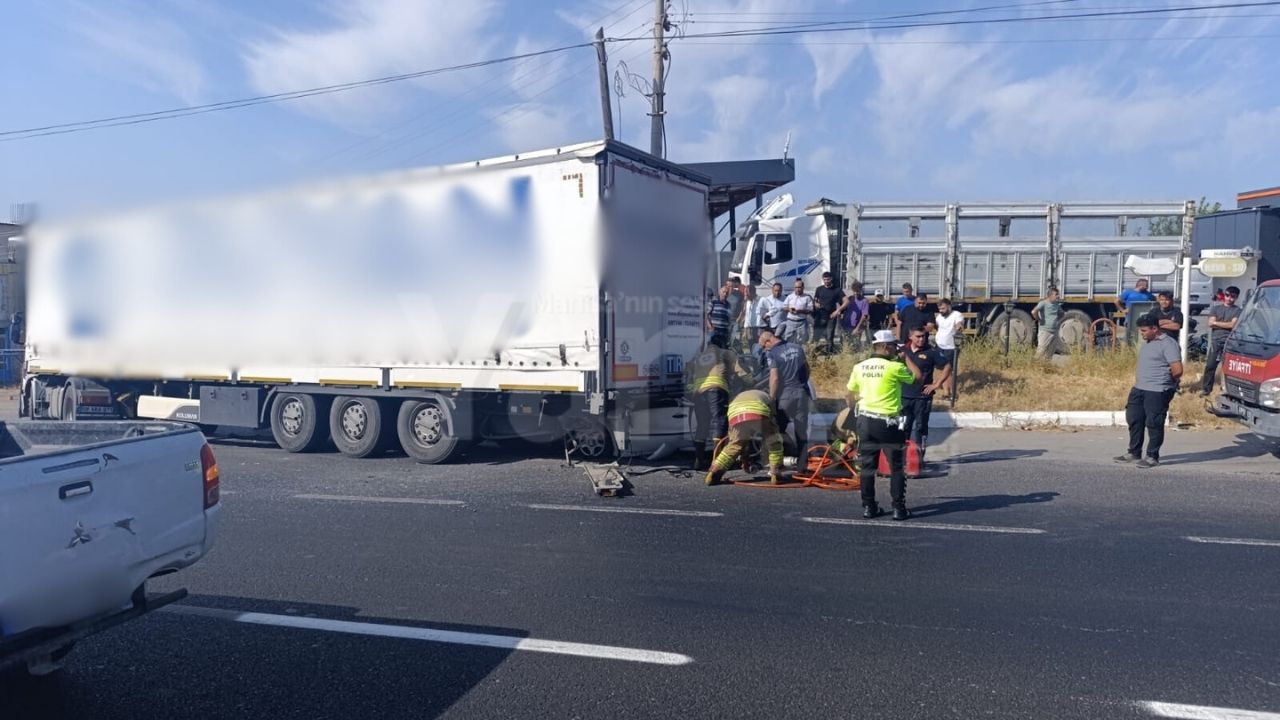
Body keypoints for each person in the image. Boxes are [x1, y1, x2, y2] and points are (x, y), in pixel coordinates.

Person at [846, 330, 921, 520]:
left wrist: (857, 411)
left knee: (868, 467)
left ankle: (869, 507)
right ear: (886, 347)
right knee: (896, 467)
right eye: (894, 346)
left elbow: (849, 394)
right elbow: (917, 377)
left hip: (864, 421)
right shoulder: (894, 367)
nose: (896, 350)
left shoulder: (860, 366)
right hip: (888, 423)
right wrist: (906, 358)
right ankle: (898, 508)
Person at [1114, 313, 1183, 469]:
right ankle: (1134, 452)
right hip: (1140, 388)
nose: (1142, 333)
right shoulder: (1150, 342)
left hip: (1158, 390)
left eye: (1144, 330)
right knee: (1134, 419)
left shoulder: (1168, 344)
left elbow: (1177, 370)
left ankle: (1152, 456)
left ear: (1154, 328)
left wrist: (1168, 382)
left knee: (1154, 423)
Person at [704, 388, 786, 486]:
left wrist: (744, 458)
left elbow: (742, 439)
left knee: (735, 445)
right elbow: (773, 417)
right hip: (758, 410)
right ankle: (775, 473)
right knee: (774, 442)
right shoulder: (768, 397)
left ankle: (714, 471)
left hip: (735, 413)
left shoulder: (739, 396)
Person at [684, 335, 742, 471]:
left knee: (702, 425)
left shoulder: (699, 357)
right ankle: (717, 462)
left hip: (699, 392)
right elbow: (740, 370)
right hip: (716, 390)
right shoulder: (724, 352)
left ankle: (698, 460)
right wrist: (751, 381)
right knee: (719, 422)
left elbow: (688, 371)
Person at [900, 326, 951, 476]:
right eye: (918, 336)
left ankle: (919, 458)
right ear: (910, 336)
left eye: (923, 336)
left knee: (921, 428)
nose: (921, 339)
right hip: (904, 396)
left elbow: (947, 366)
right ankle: (903, 457)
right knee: (903, 428)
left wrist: (937, 384)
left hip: (922, 397)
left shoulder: (931, 351)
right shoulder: (903, 350)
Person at [759, 328, 812, 463]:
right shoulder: (797, 347)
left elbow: (774, 378)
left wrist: (771, 398)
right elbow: (807, 369)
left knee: (776, 429)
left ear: (769, 341)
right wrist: (802, 383)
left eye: (764, 346)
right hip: (802, 394)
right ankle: (802, 464)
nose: (765, 350)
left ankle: (775, 462)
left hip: (786, 396)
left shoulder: (774, 353)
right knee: (801, 431)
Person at [1201, 285, 1242, 397]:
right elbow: (1210, 323)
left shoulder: (1238, 310)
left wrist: (1216, 323)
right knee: (1210, 366)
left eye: (1232, 296)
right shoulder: (1216, 309)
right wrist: (1224, 324)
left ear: (1236, 298)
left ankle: (1227, 390)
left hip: (1230, 342)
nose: (1229, 298)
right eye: (1227, 295)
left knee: (1228, 368)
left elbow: (1232, 325)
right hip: (1216, 341)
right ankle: (1206, 389)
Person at [933, 298, 963, 400]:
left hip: (951, 347)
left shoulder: (956, 314)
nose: (941, 311)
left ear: (949, 306)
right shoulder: (938, 317)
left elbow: (959, 323)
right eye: (939, 309)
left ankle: (952, 394)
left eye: (943, 308)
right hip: (940, 346)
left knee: (949, 370)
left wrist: (959, 327)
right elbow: (938, 328)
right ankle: (946, 392)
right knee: (942, 369)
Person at [813, 271, 845, 350]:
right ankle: (813, 353)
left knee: (829, 337)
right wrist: (816, 304)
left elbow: (846, 301)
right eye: (825, 279)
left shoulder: (837, 290)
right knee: (816, 336)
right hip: (820, 317)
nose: (826, 281)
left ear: (831, 279)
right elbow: (815, 300)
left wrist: (837, 311)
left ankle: (829, 355)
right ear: (823, 280)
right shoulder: (819, 289)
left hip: (831, 317)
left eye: (828, 279)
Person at [1032, 286, 1064, 359]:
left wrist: (1056, 320)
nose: (1058, 296)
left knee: (1050, 353)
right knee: (1041, 351)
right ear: (1050, 295)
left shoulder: (1056, 305)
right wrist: (1039, 319)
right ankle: (1034, 366)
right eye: (1056, 294)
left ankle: (1045, 367)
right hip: (1045, 331)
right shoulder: (1043, 303)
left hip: (1054, 331)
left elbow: (1062, 313)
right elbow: (1034, 311)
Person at [836, 282, 871, 348]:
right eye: (854, 291)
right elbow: (842, 310)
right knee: (844, 345)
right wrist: (840, 323)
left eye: (857, 291)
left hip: (856, 327)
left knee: (855, 345)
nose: (855, 293)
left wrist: (857, 328)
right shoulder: (850, 299)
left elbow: (864, 316)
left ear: (861, 290)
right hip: (846, 326)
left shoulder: (864, 301)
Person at [781, 279, 814, 343]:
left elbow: (810, 310)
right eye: (796, 287)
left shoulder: (807, 297)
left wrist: (800, 311)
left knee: (802, 340)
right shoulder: (790, 297)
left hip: (802, 322)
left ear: (803, 287)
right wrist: (789, 309)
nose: (797, 289)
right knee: (788, 339)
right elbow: (784, 307)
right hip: (790, 322)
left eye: (799, 287)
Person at [742, 284, 768, 350]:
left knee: (761, 346)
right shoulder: (748, 302)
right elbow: (747, 317)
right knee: (751, 347)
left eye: (746, 292)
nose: (745, 294)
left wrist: (767, 315)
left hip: (760, 328)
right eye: (744, 292)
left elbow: (773, 309)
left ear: (752, 292)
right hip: (750, 329)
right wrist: (745, 330)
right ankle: (753, 359)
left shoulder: (762, 300)